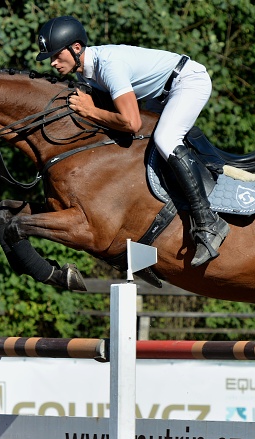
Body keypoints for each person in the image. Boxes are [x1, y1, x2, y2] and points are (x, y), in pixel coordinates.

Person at [36, 16, 229, 268]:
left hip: (187, 82)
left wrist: (91, 111)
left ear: (75, 48)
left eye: (55, 55)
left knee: (165, 138)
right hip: (161, 94)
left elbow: (131, 122)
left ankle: (208, 222)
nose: (52, 62)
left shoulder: (109, 66)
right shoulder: (86, 73)